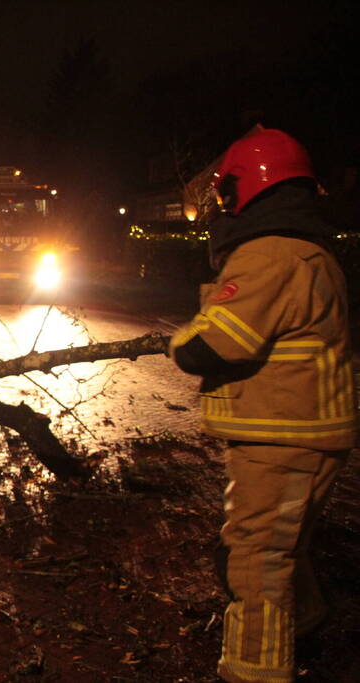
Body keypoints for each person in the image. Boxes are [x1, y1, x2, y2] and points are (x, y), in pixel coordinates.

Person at [168, 128, 355, 683]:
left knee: (253, 561)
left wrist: (177, 341)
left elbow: (215, 343)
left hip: (282, 437)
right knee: (285, 546)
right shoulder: (311, 251)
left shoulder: (269, 253)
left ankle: (255, 669)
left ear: (241, 191)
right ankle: (310, 625)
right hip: (309, 429)